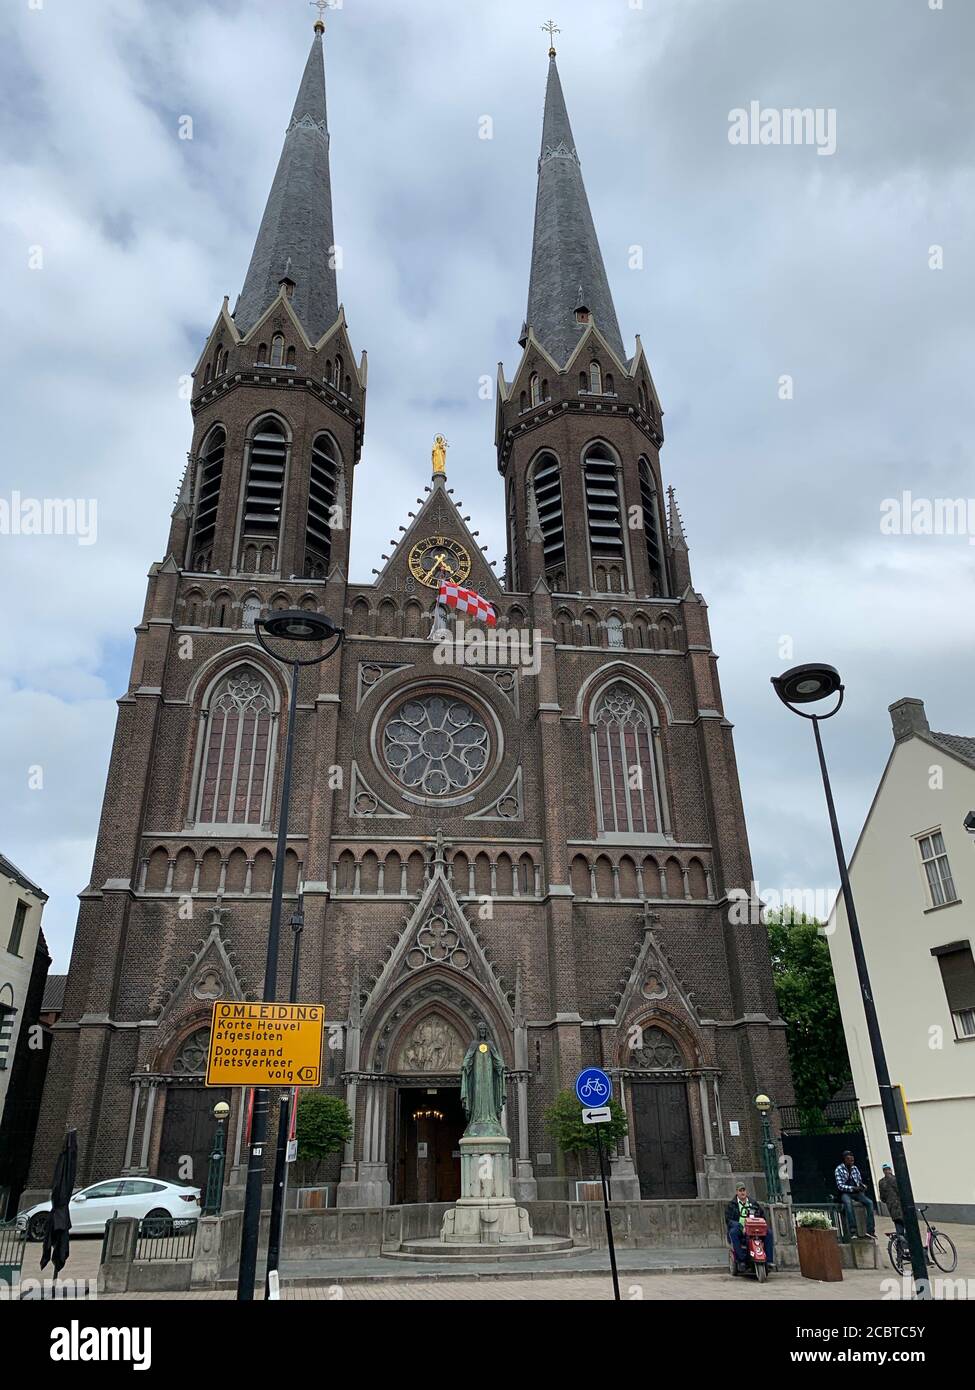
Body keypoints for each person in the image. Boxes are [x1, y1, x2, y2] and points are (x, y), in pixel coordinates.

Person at [725, 1182, 775, 1269]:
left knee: (768, 1232)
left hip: (754, 1227)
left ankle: (769, 1261)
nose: (742, 1193)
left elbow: (762, 1216)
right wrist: (740, 1226)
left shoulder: (753, 1203)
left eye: (743, 1190)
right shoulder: (731, 1205)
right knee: (733, 1232)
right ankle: (741, 1260)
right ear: (737, 1192)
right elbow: (729, 1220)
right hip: (740, 1228)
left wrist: (761, 1224)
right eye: (740, 1191)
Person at [834, 1150, 876, 1238]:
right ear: (845, 1160)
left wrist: (863, 1186)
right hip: (845, 1192)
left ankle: (870, 1230)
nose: (852, 1162)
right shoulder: (839, 1169)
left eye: (853, 1160)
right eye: (850, 1160)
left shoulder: (855, 1168)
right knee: (848, 1204)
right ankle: (853, 1230)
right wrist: (853, 1188)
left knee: (870, 1203)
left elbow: (859, 1181)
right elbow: (840, 1186)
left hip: (856, 1192)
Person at [877, 1163, 905, 1236]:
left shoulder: (881, 1182)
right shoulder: (896, 1179)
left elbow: (882, 1198)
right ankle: (907, 1244)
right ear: (890, 1169)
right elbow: (902, 1192)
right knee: (907, 1227)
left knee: (898, 1225)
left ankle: (901, 1244)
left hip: (891, 1208)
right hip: (901, 1207)